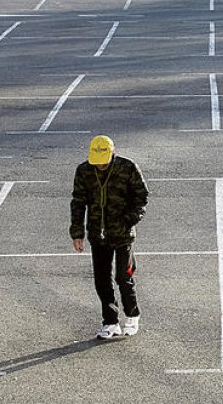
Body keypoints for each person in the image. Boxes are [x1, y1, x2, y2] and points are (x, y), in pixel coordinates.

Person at [71, 135, 149, 340]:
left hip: (122, 234)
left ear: (111, 154)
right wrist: (77, 233)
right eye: (97, 163)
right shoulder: (84, 171)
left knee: (124, 277)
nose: (100, 166)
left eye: (103, 162)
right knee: (102, 280)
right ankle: (110, 321)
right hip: (98, 234)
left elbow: (141, 198)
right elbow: (78, 203)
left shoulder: (128, 168)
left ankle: (132, 315)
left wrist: (128, 220)